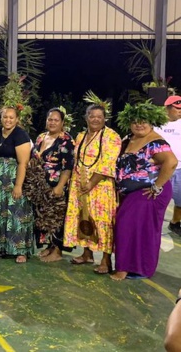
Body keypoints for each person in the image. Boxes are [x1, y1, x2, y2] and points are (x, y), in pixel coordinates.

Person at [110, 101, 177, 280]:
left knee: (130, 226)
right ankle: (135, 267)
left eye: (144, 121)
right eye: (135, 121)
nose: (139, 124)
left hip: (148, 192)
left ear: (152, 121)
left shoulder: (155, 142)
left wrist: (157, 186)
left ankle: (129, 269)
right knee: (132, 228)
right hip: (133, 193)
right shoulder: (130, 138)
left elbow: (171, 162)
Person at [64, 104, 121, 274]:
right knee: (83, 216)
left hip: (100, 187)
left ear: (104, 119)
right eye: (91, 116)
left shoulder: (111, 136)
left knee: (102, 221)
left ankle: (105, 260)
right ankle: (86, 253)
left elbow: (107, 163)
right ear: (86, 118)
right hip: (80, 184)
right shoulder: (81, 136)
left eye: (99, 116)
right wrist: (77, 183)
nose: (95, 119)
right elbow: (78, 160)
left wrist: (91, 183)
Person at [25, 108, 74, 263]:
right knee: (44, 218)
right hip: (39, 186)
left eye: (56, 120)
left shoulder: (66, 140)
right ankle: (50, 246)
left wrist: (60, 186)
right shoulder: (40, 138)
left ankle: (58, 250)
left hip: (55, 185)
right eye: (50, 119)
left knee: (56, 217)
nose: (52, 122)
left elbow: (68, 167)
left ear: (62, 123)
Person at [0, 105, 34, 263]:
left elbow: (23, 163)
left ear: (17, 119)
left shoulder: (20, 135)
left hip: (14, 178)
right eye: (5, 117)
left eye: (11, 117)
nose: (8, 120)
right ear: (0, 118)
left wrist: (18, 185)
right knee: (2, 213)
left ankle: (20, 250)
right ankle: (5, 247)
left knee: (17, 213)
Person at [155, 96, 181, 234]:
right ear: (168, 108)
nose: (180, 111)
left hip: (179, 168)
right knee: (156, 198)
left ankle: (175, 222)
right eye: (177, 108)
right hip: (159, 169)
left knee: (180, 200)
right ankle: (154, 224)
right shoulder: (156, 124)